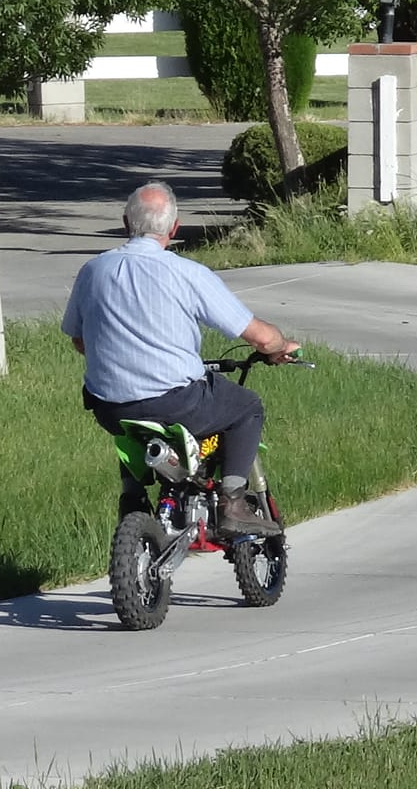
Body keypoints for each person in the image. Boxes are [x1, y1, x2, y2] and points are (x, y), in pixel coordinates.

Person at [63, 180, 298, 537]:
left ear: (126, 223)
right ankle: (232, 501)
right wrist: (280, 345)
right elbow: (259, 336)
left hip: (109, 408)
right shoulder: (187, 273)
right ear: (174, 228)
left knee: (131, 424)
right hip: (178, 403)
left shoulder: (92, 271)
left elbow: (80, 341)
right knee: (247, 407)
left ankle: (132, 497)